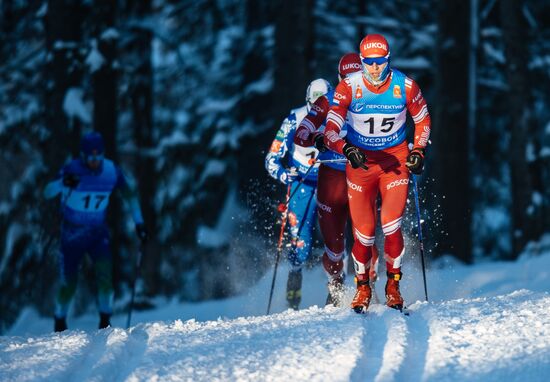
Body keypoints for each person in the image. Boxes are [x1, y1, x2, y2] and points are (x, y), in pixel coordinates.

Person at [324, 34, 431, 313]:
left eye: (380, 62)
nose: (374, 68)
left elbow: (422, 119)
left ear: (388, 59)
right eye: (368, 63)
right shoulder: (348, 87)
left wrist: (418, 150)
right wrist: (346, 149)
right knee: (365, 234)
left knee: (391, 224)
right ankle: (363, 288)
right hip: (361, 166)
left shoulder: (405, 86)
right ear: (361, 62)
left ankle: (393, 284)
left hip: (394, 162)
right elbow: (330, 131)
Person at [294, 53, 380, 307]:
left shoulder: (377, 100)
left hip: (363, 177)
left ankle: (368, 284)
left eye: (358, 77)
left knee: (366, 238)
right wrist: (316, 138)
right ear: (339, 78)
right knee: (334, 247)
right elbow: (301, 134)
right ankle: (335, 283)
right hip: (331, 178)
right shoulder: (326, 101)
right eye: (347, 78)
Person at [44, 131, 148, 331]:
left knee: (105, 279)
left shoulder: (111, 171)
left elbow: (131, 195)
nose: (95, 161)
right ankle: (59, 320)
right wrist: (62, 183)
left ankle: (105, 322)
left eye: (98, 156)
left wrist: (139, 223)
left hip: (97, 235)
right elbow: (47, 192)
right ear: (83, 155)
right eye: (91, 157)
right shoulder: (71, 169)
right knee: (69, 284)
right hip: (71, 236)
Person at [265, 78, 331, 310]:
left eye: (324, 103)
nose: (319, 109)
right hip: (301, 185)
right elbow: (271, 158)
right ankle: (294, 283)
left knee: (335, 239)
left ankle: (337, 288)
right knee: (300, 244)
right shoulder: (295, 118)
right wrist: (284, 174)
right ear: (307, 101)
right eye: (315, 103)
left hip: (329, 183)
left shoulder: (339, 117)